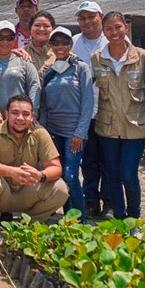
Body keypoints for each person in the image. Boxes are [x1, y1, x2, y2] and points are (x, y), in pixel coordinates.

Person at [0, 95, 68, 230]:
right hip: (0, 192)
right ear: (6, 114)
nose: (20, 118)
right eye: (15, 113)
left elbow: (56, 167)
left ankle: (28, 226)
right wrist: (11, 171)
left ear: (32, 116)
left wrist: (40, 176)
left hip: (27, 191)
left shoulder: (40, 132)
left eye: (25, 114)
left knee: (60, 188)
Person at [92, 11, 145, 223]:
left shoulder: (142, 57)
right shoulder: (97, 58)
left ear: (125, 27)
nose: (114, 32)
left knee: (128, 174)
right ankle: (119, 216)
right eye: (108, 28)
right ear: (103, 31)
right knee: (112, 173)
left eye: (118, 27)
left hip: (135, 126)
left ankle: (133, 217)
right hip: (107, 126)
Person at [39, 26, 94, 221]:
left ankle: (80, 219)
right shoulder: (48, 72)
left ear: (71, 44)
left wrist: (80, 133)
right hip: (54, 131)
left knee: (71, 175)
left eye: (64, 42)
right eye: (55, 43)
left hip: (74, 132)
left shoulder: (81, 68)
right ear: (50, 46)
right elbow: (44, 106)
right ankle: (68, 217)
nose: (60, 46)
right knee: (59, 174)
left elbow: (88, 103)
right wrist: (43, 133)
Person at [71, 0, 110, 218]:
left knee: (109, 160)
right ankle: (91, 200)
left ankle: (110, 202)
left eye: (91, 17)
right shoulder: (74, 42)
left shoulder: (113, 40)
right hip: (84, 111)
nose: (87, 22)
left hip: (109, 110)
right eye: (82, 18)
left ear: (100, 16)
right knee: (89, 159)